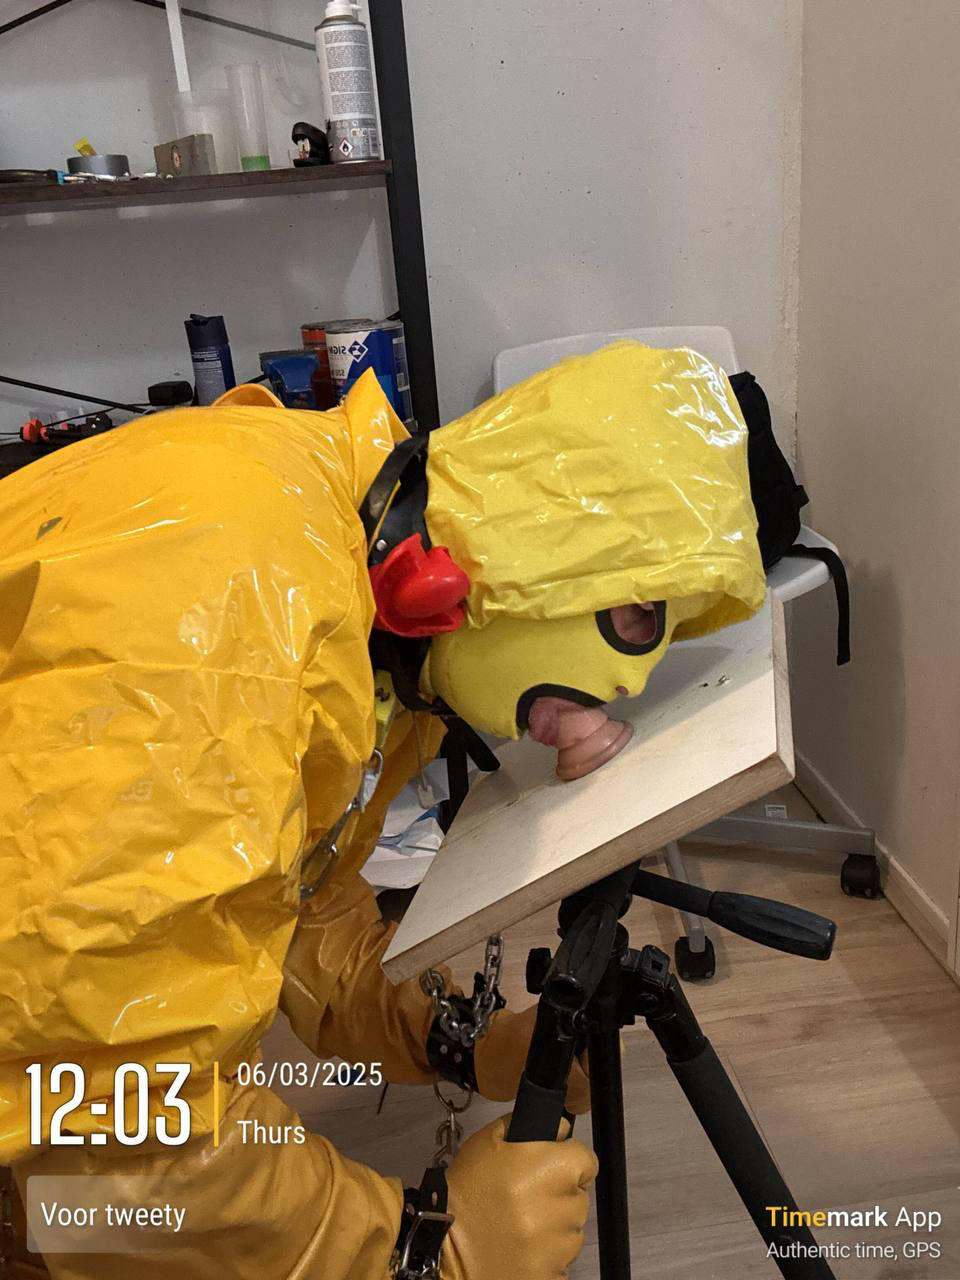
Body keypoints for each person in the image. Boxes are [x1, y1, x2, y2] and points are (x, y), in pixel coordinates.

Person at [0, 342, 763, 1278]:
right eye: (638, 612)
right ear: (548, 543)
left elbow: (295, 904)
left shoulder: (349, 584)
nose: (630, 680)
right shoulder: (232, 622)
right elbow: (104, 1127)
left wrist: (449, 1036)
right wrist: (412, 1254)